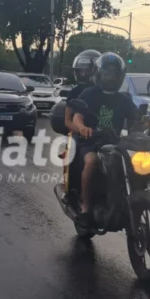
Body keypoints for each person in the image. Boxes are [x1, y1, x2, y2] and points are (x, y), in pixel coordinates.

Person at [70, 52, 139, 229]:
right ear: (99, 74)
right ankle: (85, 207)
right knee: (91, 161)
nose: (111, 77)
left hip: (115, 143)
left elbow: (137, 118)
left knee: (133, 164)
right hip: (91, 141)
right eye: (107, 73)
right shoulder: (89, 94)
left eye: (115, 73)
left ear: (120, 76)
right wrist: (82, 127)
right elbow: (77, 117)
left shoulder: (124, 99)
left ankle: (124, 199)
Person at [62, 50, 102, 205]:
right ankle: (71, 191)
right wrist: (83, 130)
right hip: (82, 133)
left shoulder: (108, 91)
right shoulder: (76, 92)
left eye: (89, 70)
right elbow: (68, 121)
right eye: (82, 70)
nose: (85, 74)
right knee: (73, 151)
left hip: (106, 134)